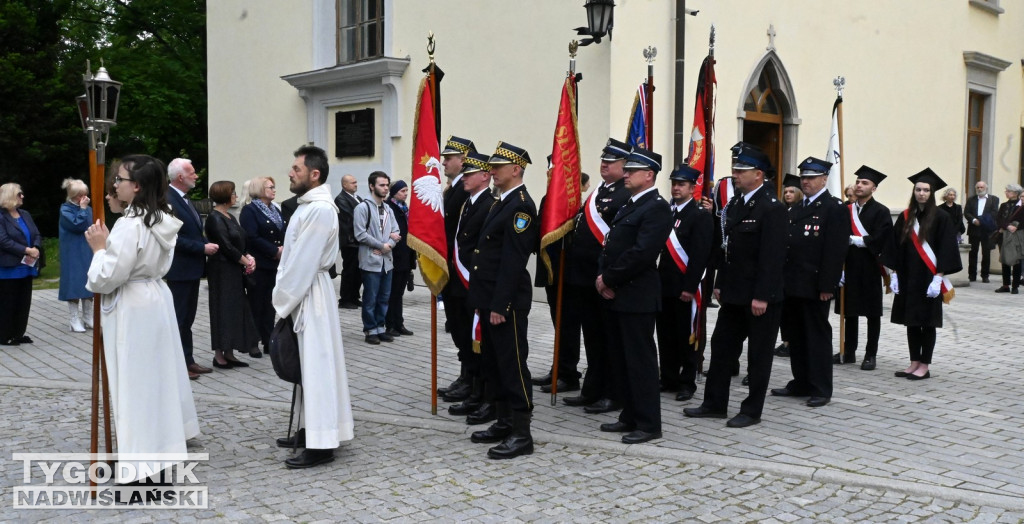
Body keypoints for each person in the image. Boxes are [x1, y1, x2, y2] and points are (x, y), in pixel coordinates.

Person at [84, 154, 200, 484]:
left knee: (135, 385)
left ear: (136, 186)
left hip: (133, 306)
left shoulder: (129, 226)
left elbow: (106, 277)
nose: (114, 186)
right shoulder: (160, 217)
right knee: (156, 381)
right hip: (155, 298)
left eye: (118, 180)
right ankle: (158, 452)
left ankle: (141, 468)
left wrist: (98, 249)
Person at [684, 142, 786, 428]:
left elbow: (772, 257)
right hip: (734, 293)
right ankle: (714, 403)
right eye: (735, 169)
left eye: (741, 170)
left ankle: (751, 410)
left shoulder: (771, 207)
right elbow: (727, 249)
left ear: (759, 174)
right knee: (722, 348)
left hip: (759, 297)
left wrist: (762, 296)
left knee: (758, 355)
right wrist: (720, 282)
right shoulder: (736, 204)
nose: (735, 174)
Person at [272, 145, 353, 468]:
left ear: (314, 174)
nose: (290, 173)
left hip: (310, 293)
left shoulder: (319, 209)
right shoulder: (308, 207)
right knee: (309, 366)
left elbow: (303, 263)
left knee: (317, 367)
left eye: (296, 168)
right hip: (304, 291)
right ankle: (310, 429)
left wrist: (280, 300)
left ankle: (322, 444)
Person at [594, 147, 673, 445]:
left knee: (640, 362)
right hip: (616, 293)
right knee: (622, 359)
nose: (625, 173)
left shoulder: (656, 207)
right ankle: (629, 414)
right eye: (625, 169)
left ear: (649, 175)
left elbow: (642, 254)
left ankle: (649, 422)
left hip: (637, 295)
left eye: (632, 170)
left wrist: (609, 278)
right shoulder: (630, 204)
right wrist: (602, 276)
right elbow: (610, 244)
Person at [467, 141, 538, 460]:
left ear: (516, 170)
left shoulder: (521, 205)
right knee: (495, 364)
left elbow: (513, 260)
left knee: (512, 365)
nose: (491, 171)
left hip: (504, 302)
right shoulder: (502, 201)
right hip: (489, 297)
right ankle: (504, 420)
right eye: (490, 166)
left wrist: (500, 305)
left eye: (497, 167)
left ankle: (522, 433)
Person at [771, 156, 849, 408]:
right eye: (804, 177)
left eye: (811, 177)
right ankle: (801, 381)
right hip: (791, 284)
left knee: (816, 337)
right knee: (795, 335)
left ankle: (821, 387)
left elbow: (835, 251)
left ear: (824, 179)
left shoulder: (833, 208)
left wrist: (828, 286)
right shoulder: (796, 207)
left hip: (815, 286)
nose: (806, 182)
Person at [562, 139, 632, 414]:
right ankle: (592, 388)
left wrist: (608, 277)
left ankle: (611, 392)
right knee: (592, 337)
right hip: (584, 277)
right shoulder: (599, 192)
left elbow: (619, 241)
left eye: (611, 161)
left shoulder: (625, 194)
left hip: (603, 278)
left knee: (607, 339)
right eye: (604, 159)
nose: (604, 164)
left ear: (625, 166)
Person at [889, 168, 961, 380]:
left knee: (927, 323)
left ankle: (925, 365)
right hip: (908, 276)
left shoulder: (941, 217)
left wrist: (938, 277)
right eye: (918, 189)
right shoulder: (905, 216)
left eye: (926, 190)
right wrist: (894, 273)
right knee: (911, 321)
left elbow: (947, 248)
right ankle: (913, 362)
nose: (921, 193)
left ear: (932, 193)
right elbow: (896, 245)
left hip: (929, 278)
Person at [656, 164, 713, 402]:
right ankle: (668, 378)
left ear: (692, 188)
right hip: (663, 285)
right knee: (665, 335)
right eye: (674, 184)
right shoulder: (664, 212)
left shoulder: (699, 216)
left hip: (684, 287)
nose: (676, 188)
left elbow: (700, 256)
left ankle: (687, 381)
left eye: (681, 184)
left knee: (687, 336)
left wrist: (690, 288)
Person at [445, 152, 495, 422]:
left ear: (485, 176)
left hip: (473, 282)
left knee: (480, 342)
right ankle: (474, 389)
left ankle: (481, 393)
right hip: (461, 281)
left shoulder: (489, 204)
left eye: (469, 173)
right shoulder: (470, 204)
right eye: (463, 173)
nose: (464, 177)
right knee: (467, 336)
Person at [834, 166, 893, 371]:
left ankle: (870, 354)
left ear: (874, 189)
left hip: (869, 267)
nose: (859, 185)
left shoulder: (881, 211)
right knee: (849, 311)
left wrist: (860, 241)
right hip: (848, 265)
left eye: (865, 183)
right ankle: (848, 350)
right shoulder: (845, 209)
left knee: (871, 313)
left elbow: (884, 238)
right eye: (858, 181)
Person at [532, 155, 582, 394]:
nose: (552, 172)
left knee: (568, 325)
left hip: (568, 274)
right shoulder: (547, 198)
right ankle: (558, 369)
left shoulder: (573, 202)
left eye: (557, 168)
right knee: (558, 324)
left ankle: (569, 374)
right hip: (551, 271)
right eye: (549, 167)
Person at [166, 158, 218, 380]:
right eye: (192, 172)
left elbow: (193, 231)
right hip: (179, 269)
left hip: (192, 269)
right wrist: (201, 247)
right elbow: (172, 238)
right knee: (178, 318)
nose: (196, 176)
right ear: (180, 177)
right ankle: (178, 365)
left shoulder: (185, 200)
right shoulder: (168, 200)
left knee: (187, 319)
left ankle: (188, 359)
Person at [437, 135, 477, 401]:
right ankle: (466, 374)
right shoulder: (454, 188)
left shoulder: (467, 190)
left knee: (465, 327)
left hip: (464, 271)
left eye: (448, 159)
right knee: (457, 325)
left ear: (463, 160)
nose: (443, 163)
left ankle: (472, 378)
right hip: (451, 270)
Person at [205, 180, 260, 368]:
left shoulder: (230, 216)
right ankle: (219, 354)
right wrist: (245, 262)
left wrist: (248, 256)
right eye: (233, 193)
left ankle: (230, 351)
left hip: (234, 269)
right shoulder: (214, 218)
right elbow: (225, 246)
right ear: (226, 196)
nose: (236, 196)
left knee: (234, 310)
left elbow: (239, 240)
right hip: (221, 271)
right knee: (222, 309)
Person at [353, 171, 401, 344]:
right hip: (370, 260)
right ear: (372, 186)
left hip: (387, 261)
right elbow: (360, 234)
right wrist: (383, 245)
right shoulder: (362, 208)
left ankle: (381, 327)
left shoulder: (388, 208)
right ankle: (370, 329)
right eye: (382, 185)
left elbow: (396, 232)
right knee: (371, 298)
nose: (386, 188)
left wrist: (389, 245)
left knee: (384, 297)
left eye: (387, 185)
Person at [240, 176, 285, 356]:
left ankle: (268, 339)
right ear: (259, 190)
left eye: (274, 187)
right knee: (256, 303)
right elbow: (251, 236)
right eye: (270, 187)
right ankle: (253, 342)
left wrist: (282, 248)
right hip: (259, 262)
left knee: (270, 304)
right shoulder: (249, 211)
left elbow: (282, 230)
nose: (274, 190)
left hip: (275, 263)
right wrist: (274, 250)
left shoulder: (275, 209)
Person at [0, 183, 41, 346]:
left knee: (23, 302)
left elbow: (36, 233)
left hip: (27, 266)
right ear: (9, 196)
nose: (22, 196)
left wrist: (36, 248)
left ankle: (18, 333)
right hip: (8, 268)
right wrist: (26, 250)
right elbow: (3, 241)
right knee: (8, 302)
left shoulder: (25, 214)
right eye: (19, 194)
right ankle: (4, 335)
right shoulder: (1, 217)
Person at [58, 178, 95, 333]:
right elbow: (77, 225)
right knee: (74, 283)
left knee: (89, 281)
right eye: (81, 195)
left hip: (86, 248)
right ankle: (74, 319)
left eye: (85, 194)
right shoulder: (65, 209)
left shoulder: (87, 208)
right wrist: (83, 209)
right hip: (72, 251)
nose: (84, 198)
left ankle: (87, 317)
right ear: (73, 196)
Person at [384, 179, 415, 338]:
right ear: (394, 192)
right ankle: (390, 324)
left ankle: (399, 323)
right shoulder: (390, 207)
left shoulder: (404, 208)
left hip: (406, 255)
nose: (406, 193)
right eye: (402, 191)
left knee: (399, 293)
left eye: (406, 190)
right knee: (392, 293)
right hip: (395, 256)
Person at [334, 174, 363, 309]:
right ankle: (345, 299)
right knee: (350, 270)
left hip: (358, 241)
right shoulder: (341, 199)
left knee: (358, 271)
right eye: (352, 183)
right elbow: (351, 217)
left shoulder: (358, 198)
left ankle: (354, 296)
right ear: (344, 185)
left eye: (356, 182)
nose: (355, 185)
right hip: (350, 241)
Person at [964, 181, 998, 283]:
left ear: (986, 188)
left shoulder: (993, 199)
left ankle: (985, 275)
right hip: (974, 229)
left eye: (981, 187)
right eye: (978, 187)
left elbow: (994, 213)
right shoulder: (971, 199)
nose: (980, 189)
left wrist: (981, 221)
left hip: (987, 230)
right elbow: (967, 212)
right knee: (973, 253)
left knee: (986, 254)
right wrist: (974, 220)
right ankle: (972, 275)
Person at [994, 184, 1024, 294]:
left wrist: (1016, 227)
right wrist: (1007, 226)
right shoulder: (1003, 205)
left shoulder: (1021, 205)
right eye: (1006, 191)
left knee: (1017, 260)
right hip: (1004, 236)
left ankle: (1015, 286)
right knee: (1005, 260)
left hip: (1016, 236)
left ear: (1015, 193)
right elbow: (999, 219)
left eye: (1008, 191)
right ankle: (1006, 285)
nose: (1006, 193)